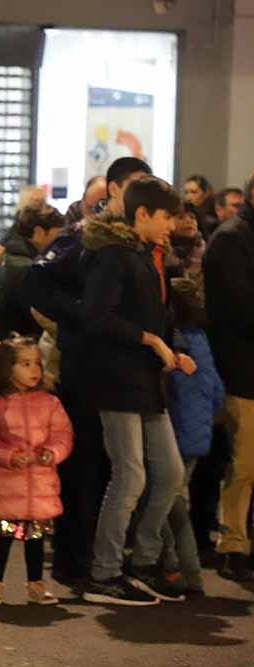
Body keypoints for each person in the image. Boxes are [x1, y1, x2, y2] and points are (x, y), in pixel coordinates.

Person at [24, 156, 153, 583]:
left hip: (123, 369)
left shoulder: (137, 241)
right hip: (85, 366)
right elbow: (37, 282)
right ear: (114, 191)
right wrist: (82, 315)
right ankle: (74, 560)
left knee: (118, 469)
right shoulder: (83, 238)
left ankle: (106, 558)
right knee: (85, 467)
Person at [81, 176, 191, 606]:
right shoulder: (113, 255)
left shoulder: (147, 255)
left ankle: (142, 562)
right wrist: (150, 340)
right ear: (142, 214)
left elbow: (160, 316)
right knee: (130, 477)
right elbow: (96, 317)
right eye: (167, 217)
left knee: (169, 474)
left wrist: (172, 347)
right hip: (116, 379)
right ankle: (104, 573)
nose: (173, 225)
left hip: (146, 380)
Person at [0, 337, 72, 606]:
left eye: (37, 363)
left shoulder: (50, 403)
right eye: (25, 364)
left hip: (39, 487)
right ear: (7, 368)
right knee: (3, 538)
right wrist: (8, 457)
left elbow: (63, 435)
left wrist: (51, 452)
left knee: (35, 540)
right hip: (6, 488)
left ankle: (36, 585)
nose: (34, 370)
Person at [203, 171, 254, 582]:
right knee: (244, 465)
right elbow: (239, 309)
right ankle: (234, 546)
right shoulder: (232, 239)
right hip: (241, 370)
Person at [161, 278, 224, 597]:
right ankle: (185, 570)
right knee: (173, 499)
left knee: (168, 502)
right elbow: (216, 391)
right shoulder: (201, 339)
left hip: (175, 433)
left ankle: (180, 568)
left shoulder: (176, 345)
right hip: (198, 435)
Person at [0, 204, 65, 337]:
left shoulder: (10, 257)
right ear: (39, 232)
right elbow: (38, 319)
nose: (59, 243)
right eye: (57, 235)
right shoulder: (27, 268)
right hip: (13, 347)